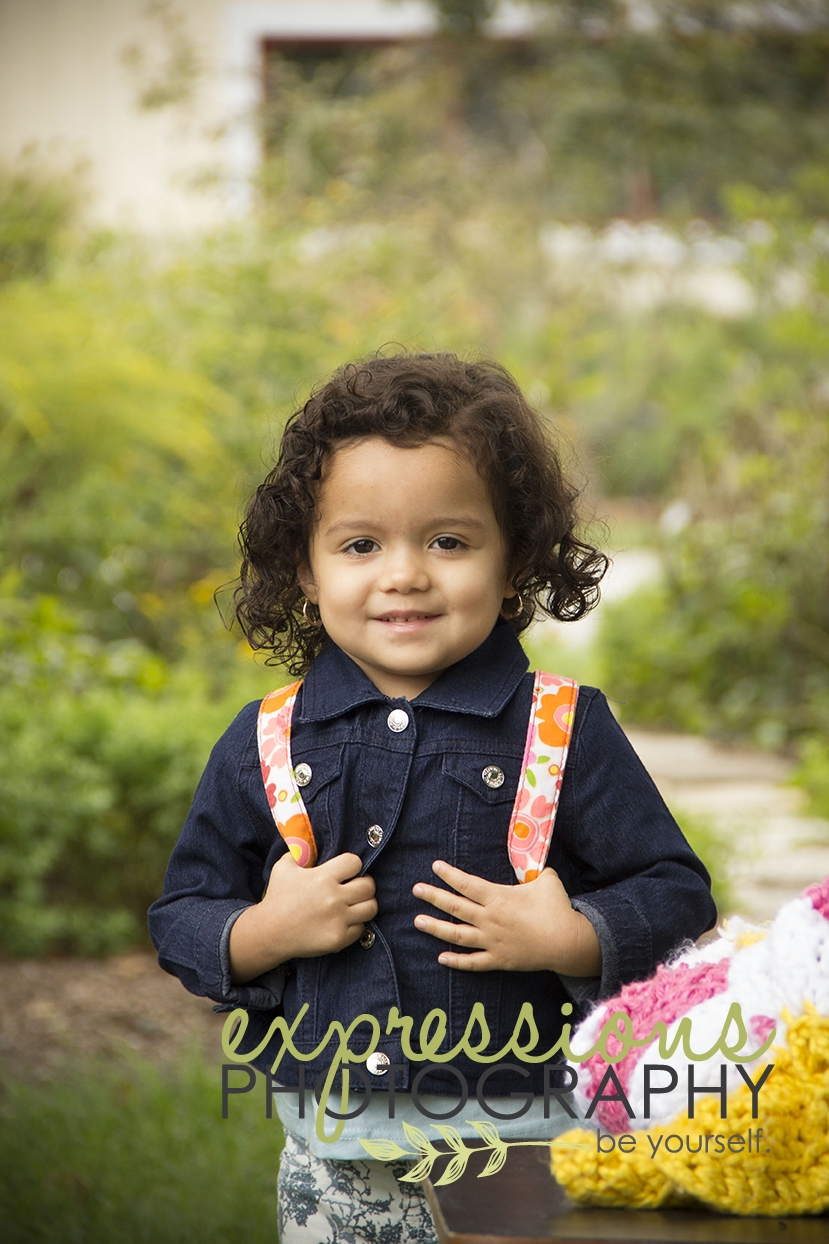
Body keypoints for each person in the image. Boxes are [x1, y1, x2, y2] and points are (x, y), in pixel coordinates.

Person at [148, 351, 717, 1244]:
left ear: (513, 561)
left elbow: (677, 893)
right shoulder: (266, 739)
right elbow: (182, 913)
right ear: (306, 570)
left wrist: (573, 937)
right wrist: (263, 933)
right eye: (360, 545)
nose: (404, 574)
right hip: (332, 1151)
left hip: (521, 1141)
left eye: (447, 542)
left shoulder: (560, 728)